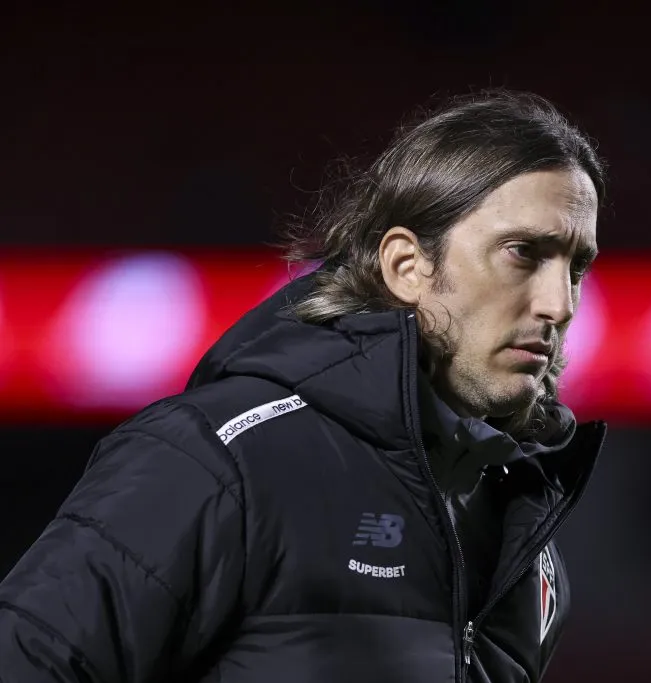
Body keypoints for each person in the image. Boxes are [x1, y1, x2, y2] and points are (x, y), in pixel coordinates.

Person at [0, 89, 607, 682]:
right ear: (406, 266)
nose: (559, 303)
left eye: (576, 268)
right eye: (523, 253)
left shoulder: (528, 542)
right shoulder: (220, 457)